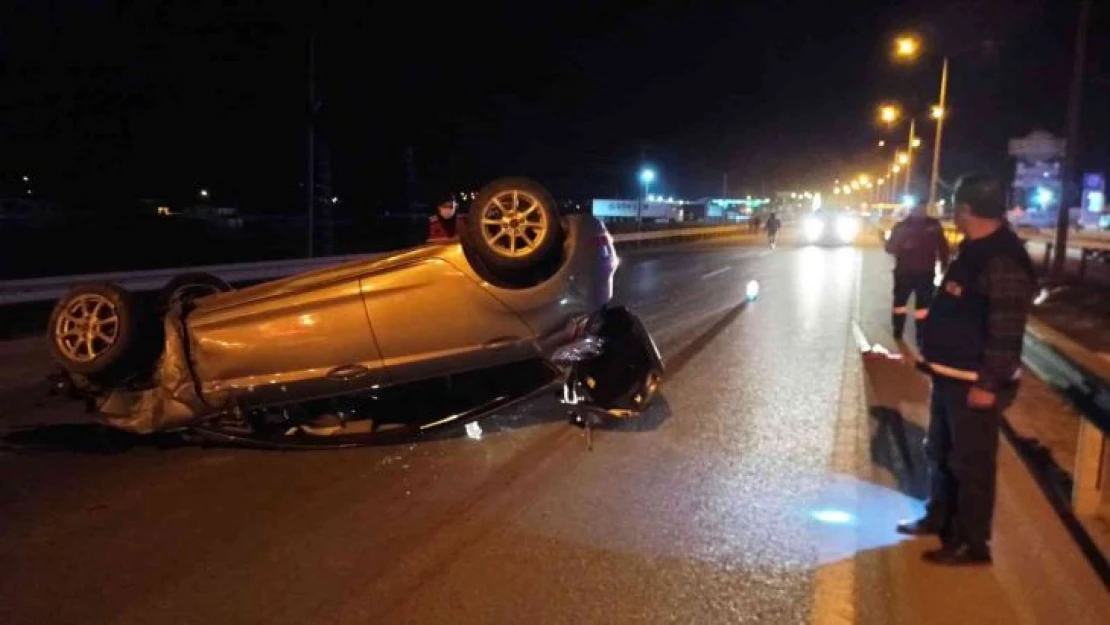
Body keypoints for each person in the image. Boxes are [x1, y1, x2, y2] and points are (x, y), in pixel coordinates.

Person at [898, 174, 1036, 567]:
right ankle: (940, 517)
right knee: (940, 452)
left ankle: (972, 543)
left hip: (975, 382)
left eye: (955, 208)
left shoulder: (1001, 258)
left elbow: (1006, 329)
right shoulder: (974, 251)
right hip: (951, 375)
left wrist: (990, 383)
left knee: (971, 463)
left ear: (965, 210)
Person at [884, 199, 950, 343]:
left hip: (916, 273)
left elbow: (943, 248)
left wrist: (945, 266)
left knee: (919, 305)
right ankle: (908, 333)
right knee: (907, 304)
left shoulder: (905, 226)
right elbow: (890, 248)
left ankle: (913, 333)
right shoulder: (929, 226)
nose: (920, 211)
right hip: (913, 272)